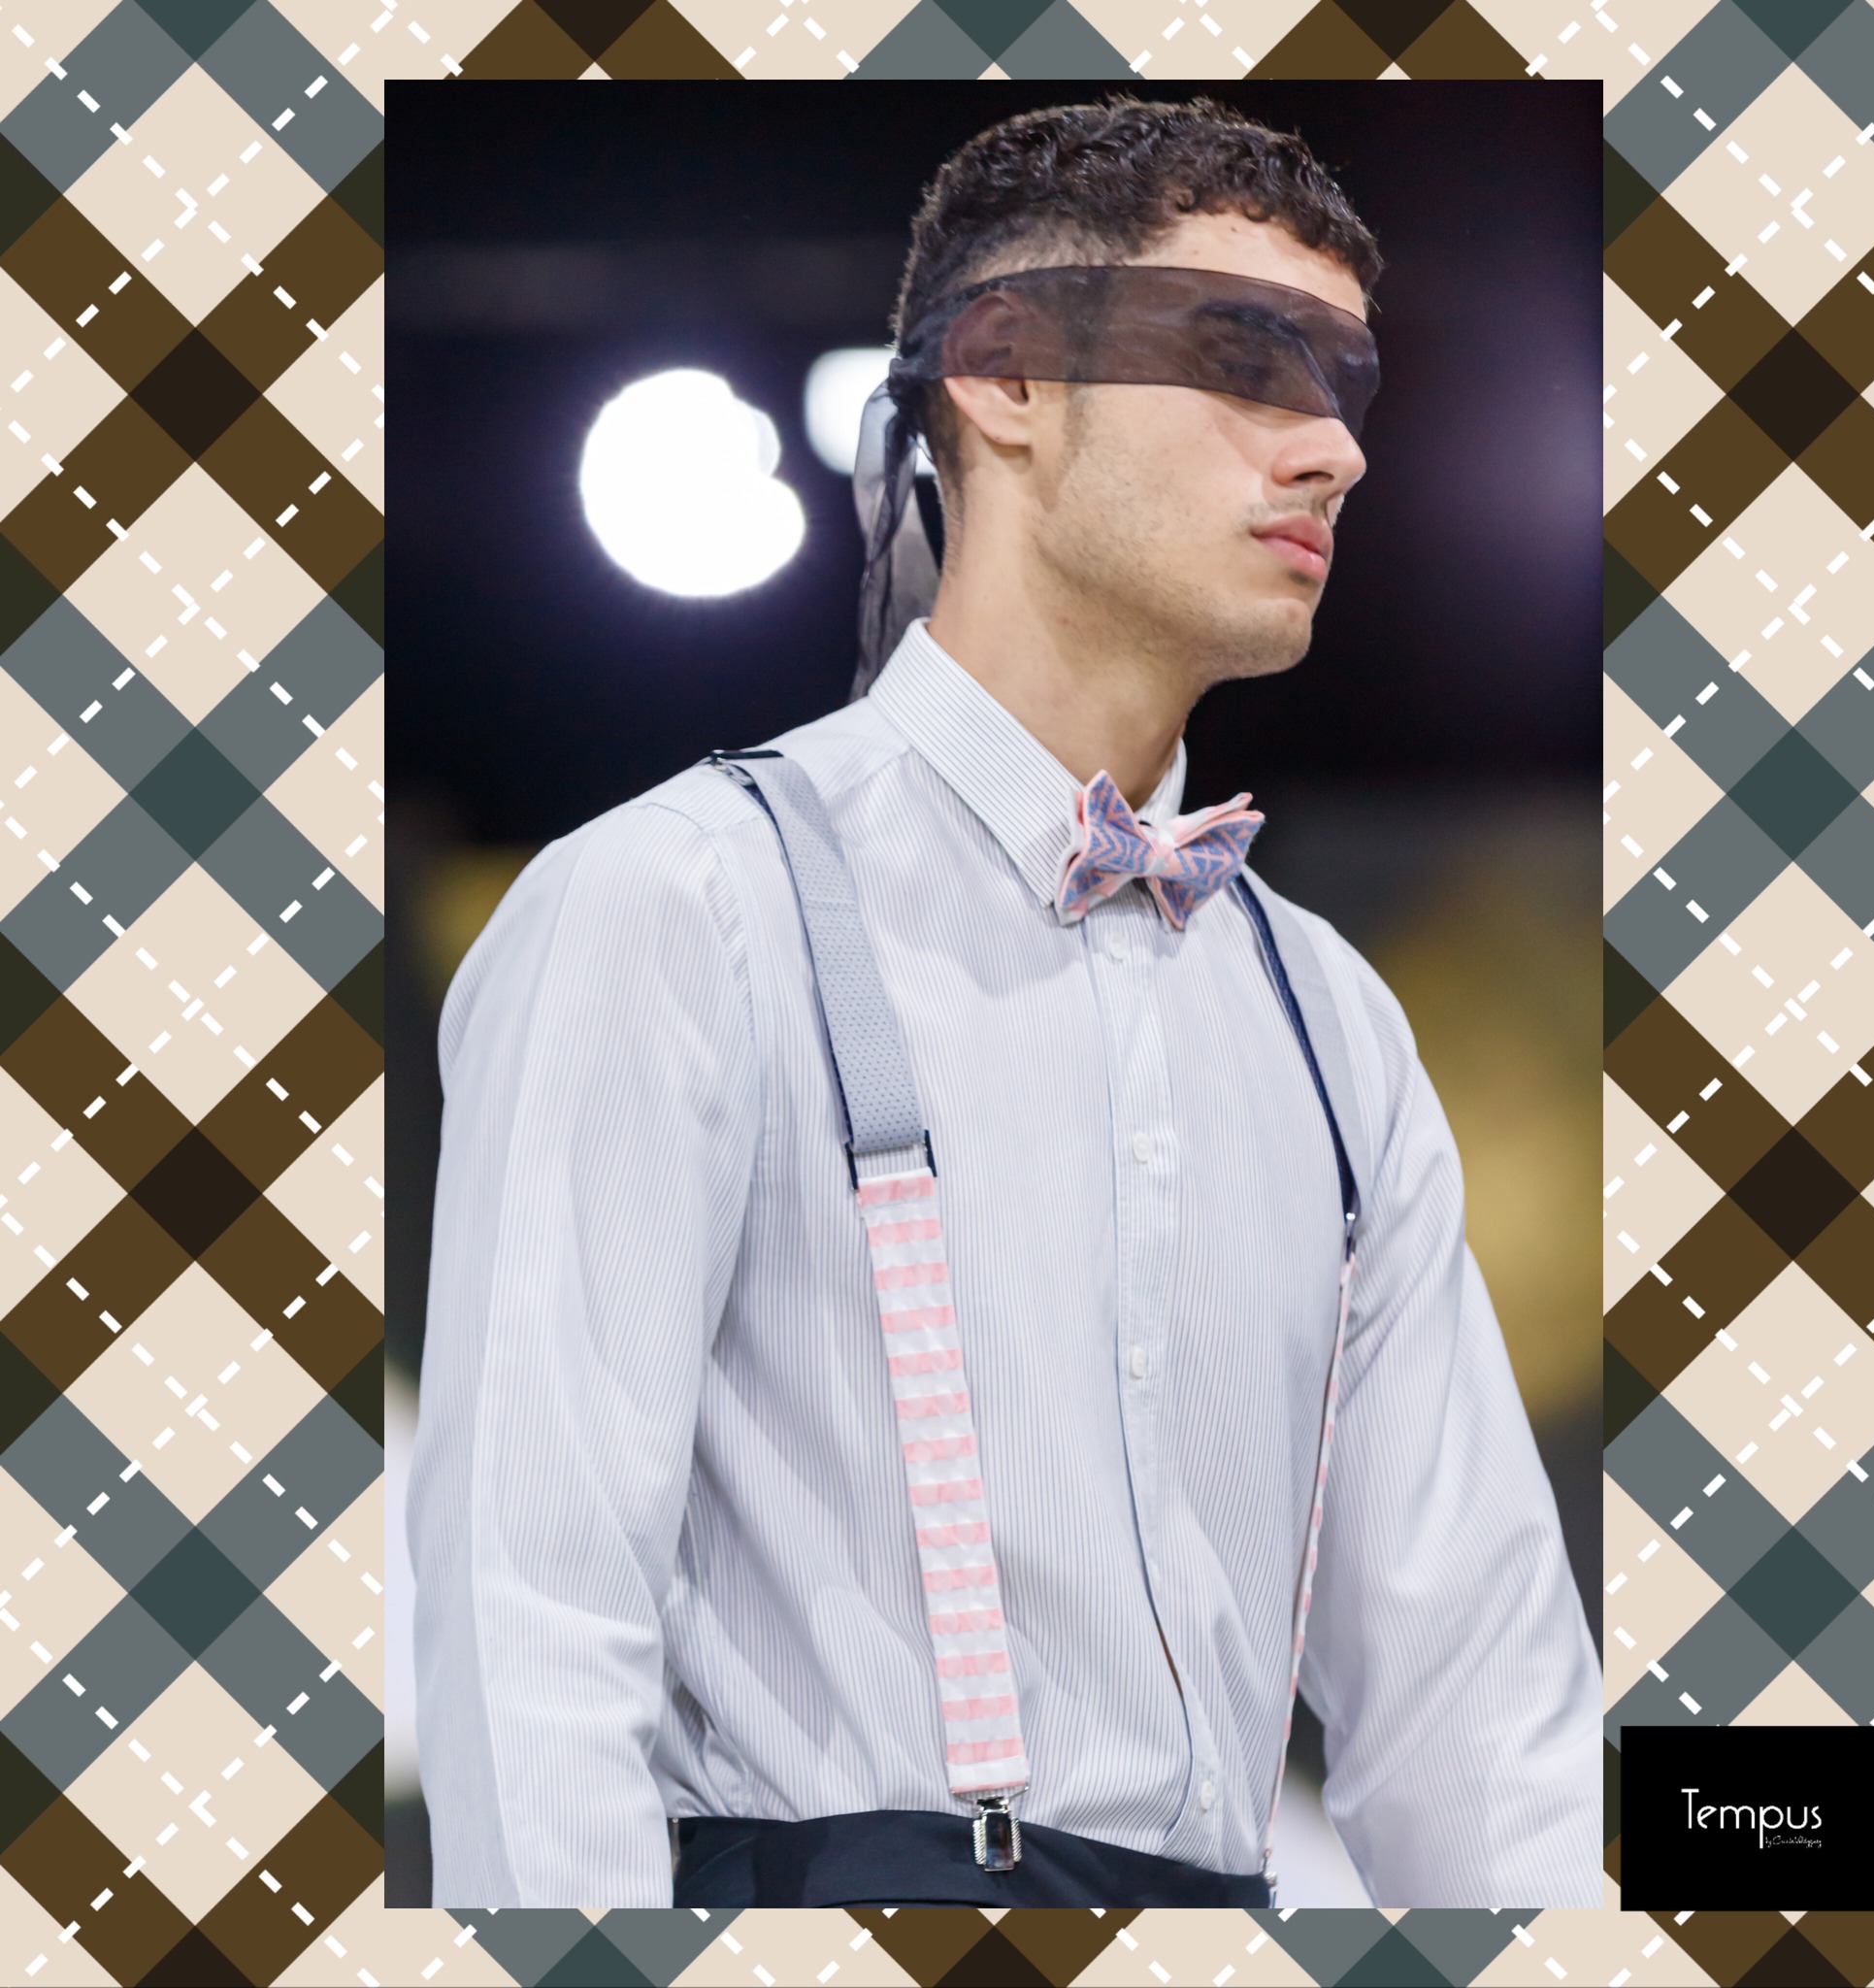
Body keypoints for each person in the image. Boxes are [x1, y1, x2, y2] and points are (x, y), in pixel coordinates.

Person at [409, 94, 1601, 1910]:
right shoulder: (677, 906)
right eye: (1248, 360)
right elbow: (532, 1623)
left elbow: (1479, 1712)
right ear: (1005, 376)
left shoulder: (1329, 1022)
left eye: (1345, 383)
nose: (1336, 449)